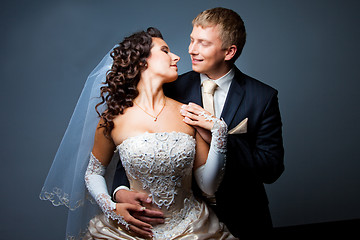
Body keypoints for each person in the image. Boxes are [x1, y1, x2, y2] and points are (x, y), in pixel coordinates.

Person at [40, 27, 238, 239]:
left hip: (191, 228)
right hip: (131, 231)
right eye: (165, 50)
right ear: (142, 61)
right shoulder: (113, 118)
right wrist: (111, 207)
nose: (177, 56)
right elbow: (93, 172)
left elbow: (208, 186)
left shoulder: (188, 112)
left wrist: (219, 133)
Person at [112, 7, 285, 238]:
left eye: (203, 43)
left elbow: (271, 168)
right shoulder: (171, 89)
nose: (191, 50)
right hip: (183, 224)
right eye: (192, 40)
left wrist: (218, 136)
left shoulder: (262, 97)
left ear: (229, 52)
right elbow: (135, 145)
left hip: (244, 218)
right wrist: (120, 190)